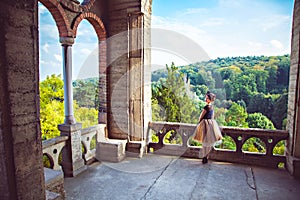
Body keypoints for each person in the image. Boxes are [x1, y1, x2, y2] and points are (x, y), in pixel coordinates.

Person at [193, 91, 223, 164]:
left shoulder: (206, 107)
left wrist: (199, 123)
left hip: (205, 124)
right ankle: (206, 156)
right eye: (206, 98)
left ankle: (204, 156)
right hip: (211, 124)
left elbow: (201, 116)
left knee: (204, 142)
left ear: (210, 99)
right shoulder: (212, 107)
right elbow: (212, 116)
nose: (205, 99)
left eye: (207, 98)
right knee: (209, 141)